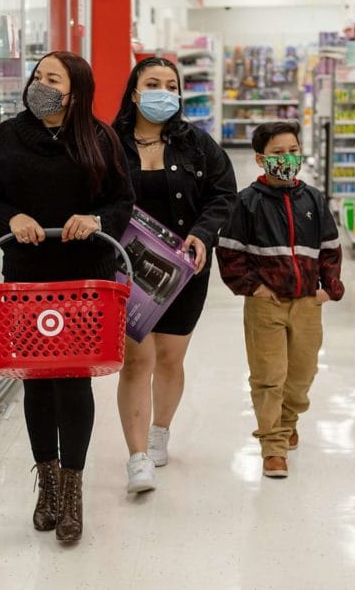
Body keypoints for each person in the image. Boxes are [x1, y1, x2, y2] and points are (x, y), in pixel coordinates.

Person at [0, 50, 134, 542]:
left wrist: (98, 220)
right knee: (37, 382)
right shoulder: (7, 137)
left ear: (75, 91)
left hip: (85, 280)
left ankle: (73, 493)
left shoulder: (99, 139)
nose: (40, 84)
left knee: (73, 383)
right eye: (37, 76)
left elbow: (122, 201)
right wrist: (10, 220)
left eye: (52, 78)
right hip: (27, 280)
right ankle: (47, 486)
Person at [111, 57, 237, 493]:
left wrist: (204, 234)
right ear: (134, 91)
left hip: (183, 270)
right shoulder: (108, 144)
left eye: (170, 84)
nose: (163, 91)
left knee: (169, 358)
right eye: (152, 83)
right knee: (136, 360)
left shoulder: (198, 145)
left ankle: (159, 432)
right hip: (125, 270)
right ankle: (137, 457)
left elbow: (223, 196)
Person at [216, 122, 345, 479]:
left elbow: (330, 249)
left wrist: (329, 288)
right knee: (269, 375)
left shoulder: (314, 200)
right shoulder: (247, 202)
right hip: (266, 303)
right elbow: (229, 252)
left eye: (292, 150)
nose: (287, 158)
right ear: (260, 159)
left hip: (307, 302)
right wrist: (253, 288)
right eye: (277, 153)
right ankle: (273, 445)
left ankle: (288, 420)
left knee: (303, 374)